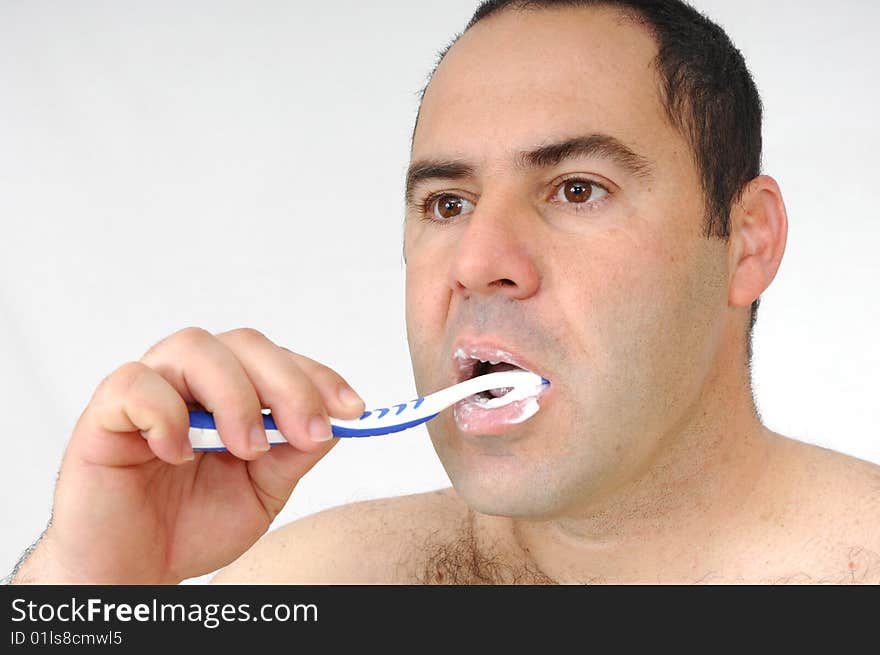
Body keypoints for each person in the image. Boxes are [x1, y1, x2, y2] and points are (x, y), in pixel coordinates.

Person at [11, 0, 880, 585]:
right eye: (447, 202)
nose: (476, 259)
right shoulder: (312, 583)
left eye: (576, 188)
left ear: (749, 241)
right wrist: (85, 589)